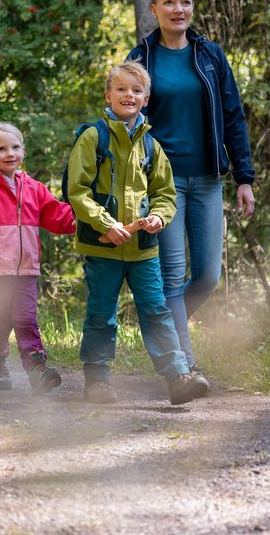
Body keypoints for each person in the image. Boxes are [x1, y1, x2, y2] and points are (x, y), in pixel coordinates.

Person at [126, 0, 255, 378]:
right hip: (161, 183)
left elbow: (233, 116)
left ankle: (161, 327)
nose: (177, 9)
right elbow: (126, 116)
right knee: (172, 274)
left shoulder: (210, 55)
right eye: (169, 2)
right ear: (154, 9)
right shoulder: (141, 58)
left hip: (207, 179)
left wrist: (245, 177)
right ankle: (184, 367)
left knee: (207, 277)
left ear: (192, 8)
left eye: (184, 2)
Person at [67, 62, 210, 405]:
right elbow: (77, 191)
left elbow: (165, 193)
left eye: (136, 90)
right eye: (121, 89)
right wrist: (106, 224)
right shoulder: (93, 138)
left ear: (145, 99)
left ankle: (178, 377)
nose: (128, 95)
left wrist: (159, 216)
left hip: (143, 249)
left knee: (157, 311)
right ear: (108, 95)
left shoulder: (151, 146)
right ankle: (97, 382)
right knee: (101, 314)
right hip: (103, 247)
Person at [0, 122, 75, 393]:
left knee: (26, 318)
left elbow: (57, 215)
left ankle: (37, 369)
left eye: (15, 147)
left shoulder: (33, 187)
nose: (9, 153)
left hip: (26, 269)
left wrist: (87, 220)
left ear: (23, 150)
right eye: (1, 149)